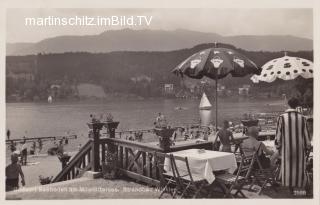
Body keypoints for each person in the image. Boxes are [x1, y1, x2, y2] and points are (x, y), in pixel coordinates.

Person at [275, 97, 311, 193]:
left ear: (288, 104)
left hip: (287, 148)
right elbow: (306, 135)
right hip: (300, 148)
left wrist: (278, 146)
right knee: (299, 166)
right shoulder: (303, 118)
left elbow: (278, 135)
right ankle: (301, 186)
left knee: (288, 167)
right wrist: (308, 146)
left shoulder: (281, 117)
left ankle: (290, 186)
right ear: (297, 105)